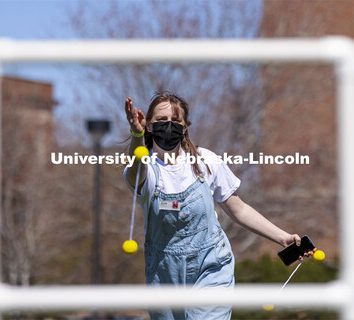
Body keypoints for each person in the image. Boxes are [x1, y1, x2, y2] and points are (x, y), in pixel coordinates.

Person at [123, 91, 314, 320]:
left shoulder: (206, 161)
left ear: (185, 127)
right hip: (164, 273)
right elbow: (137, 171)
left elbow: (238, 209)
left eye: (176, 122)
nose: (168, 126)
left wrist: (282, 237)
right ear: (150, 127)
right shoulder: (146, 168)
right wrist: (136, 135)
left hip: (211, 264)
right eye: (161, 121)